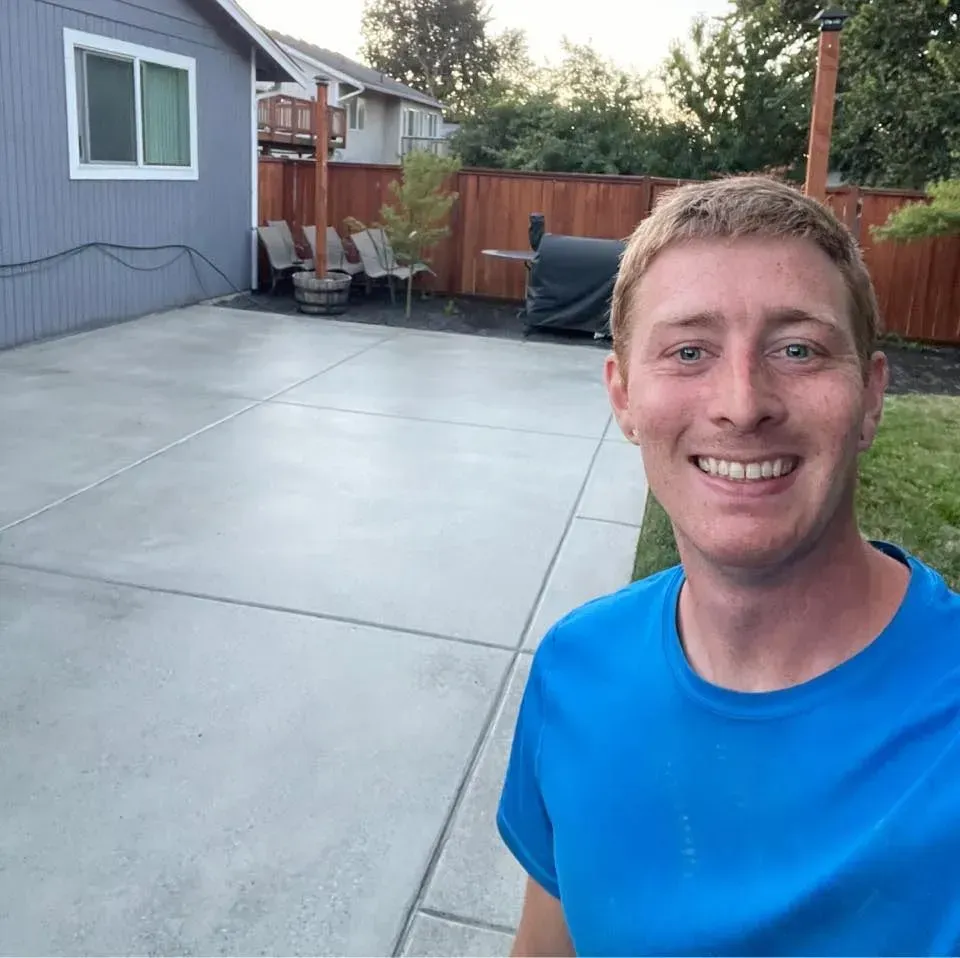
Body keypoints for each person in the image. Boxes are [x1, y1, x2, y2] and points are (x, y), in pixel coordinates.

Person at [496, 175, 960, 957]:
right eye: (688, 351)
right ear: (623, 398)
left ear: (871, 398)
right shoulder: (575, 670)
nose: (742, 404)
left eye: (798, 349)